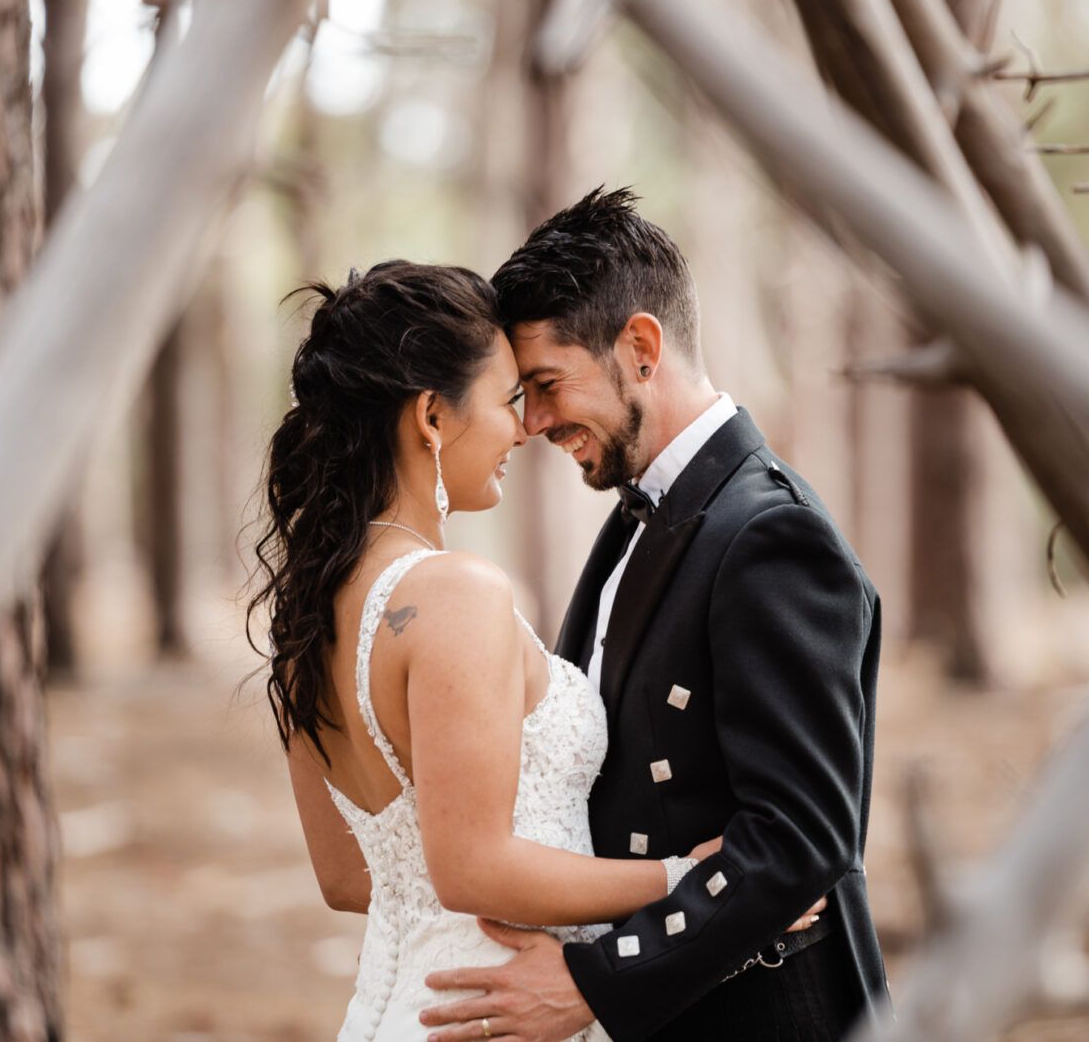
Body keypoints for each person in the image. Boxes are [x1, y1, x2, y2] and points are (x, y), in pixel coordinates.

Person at [247, 260, 819, 1042]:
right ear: (431, 419)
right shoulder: (457, 594)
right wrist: (690, 877)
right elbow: (472, 868)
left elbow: (350, 879)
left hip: (401, 1007)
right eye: (506, 401)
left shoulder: (310, 618)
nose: (525, 428)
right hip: (490, 1014)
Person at [419, 188, 890, 1042]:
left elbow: (799, 842)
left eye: (547, 384)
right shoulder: (640, 520)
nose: (533, 423)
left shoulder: (769, 535)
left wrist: (598, 983)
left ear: (640, 347)